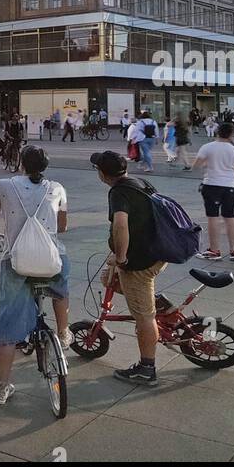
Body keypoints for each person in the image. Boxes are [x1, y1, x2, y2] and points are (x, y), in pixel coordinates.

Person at [0, 145, 70, 407]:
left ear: (20, 163)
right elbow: (62, 226)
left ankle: (2, 387)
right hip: (51, 259)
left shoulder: (4, 185)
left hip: (16, 261)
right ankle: (63, 332)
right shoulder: (57, 188)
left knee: (7, 325)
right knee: (61, 285)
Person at [91, 150, 169, 387]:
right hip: (157, 250)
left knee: (144, 317)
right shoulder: (140, 182)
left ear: (103, 174)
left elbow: (121, 225)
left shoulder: (119, 192)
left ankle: (147, 368)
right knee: (108, 278)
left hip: (140, 261)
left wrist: (122, 257)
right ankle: (158, 302)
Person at [193, 120, 234, 260]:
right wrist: (228, 170)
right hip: (229, 186)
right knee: (230, 217)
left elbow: (196, 165)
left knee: (213, 217)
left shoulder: (207, 147)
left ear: (217, 132)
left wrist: (208, 165)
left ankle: (215, 250)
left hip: (211, 185)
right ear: (232, 135)